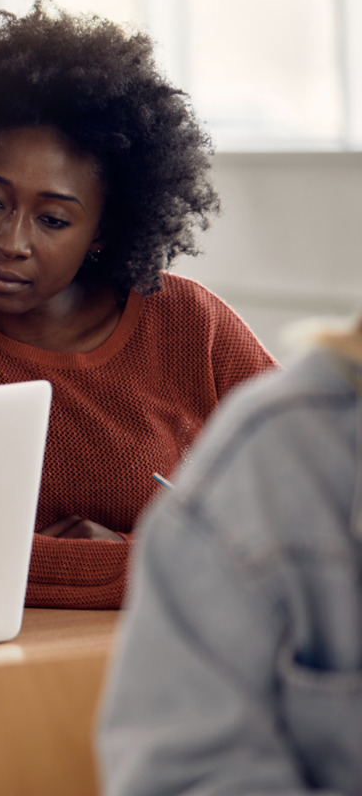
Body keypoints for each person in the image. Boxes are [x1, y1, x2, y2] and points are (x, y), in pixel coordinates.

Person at [0, 0, 277, 796]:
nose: (9, 240)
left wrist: (38, 557)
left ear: (104, 230)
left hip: (195, 708)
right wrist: (170, 565)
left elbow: (307, 517)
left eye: (54, 218)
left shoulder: (190, 322)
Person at [97, 314, 358, 796]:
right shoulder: (284, 444)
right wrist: (132, 557)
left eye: (55, 229)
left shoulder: (192, 318)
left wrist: (127, 553)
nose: (14, 244)